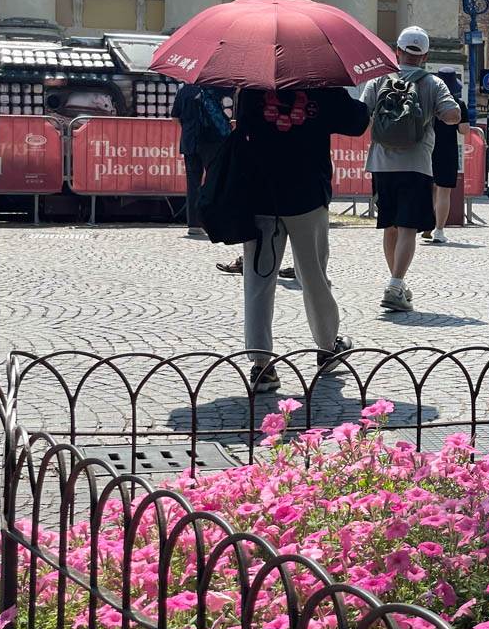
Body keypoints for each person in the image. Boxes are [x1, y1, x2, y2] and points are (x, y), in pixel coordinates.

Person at [236, 86, 370, 393]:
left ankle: (261, 365)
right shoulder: (321, 85)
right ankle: (326, 348)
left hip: (261, 195)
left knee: (258, 280)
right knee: (313, 276)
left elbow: (243, 128)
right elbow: (357, 121)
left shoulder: (252, 88)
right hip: (307, 194)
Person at [360, 26, 463, 312]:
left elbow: (361, 114)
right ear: (425, 55)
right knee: (408, 227)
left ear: (398, 51)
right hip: (416, 165)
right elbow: (452, 115)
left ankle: (397, 283)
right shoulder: (433, 83)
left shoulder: (379, 79)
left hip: (381, 164)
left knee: (389, 226)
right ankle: (395, 284)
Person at [171, 83, 231, 236]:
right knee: (214, 183)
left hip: (190, 142)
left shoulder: (184, 89)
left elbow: (174, 117)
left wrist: (188, 127)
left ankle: (194, 224)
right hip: (212, 142)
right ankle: (214, 222)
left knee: (193, 184)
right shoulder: (218, 86)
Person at [421, 68, 466, 244]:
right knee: (444, 192)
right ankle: (439, 230)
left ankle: (427, 224)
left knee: (430, 188)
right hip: (447, 150)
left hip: (427, 147)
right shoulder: (458, 103)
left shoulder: (430, 100)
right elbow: (464, 130)